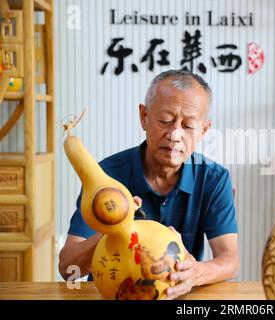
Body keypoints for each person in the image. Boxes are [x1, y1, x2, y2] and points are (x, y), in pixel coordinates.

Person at [59, 70, 239, 299]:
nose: (175, 135)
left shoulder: (214, 179)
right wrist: (111, 230)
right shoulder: (106, 176)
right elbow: (68, 269)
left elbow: (230, 261)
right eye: (165, 120)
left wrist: (197, 273)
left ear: (204, 130)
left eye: (189, 126)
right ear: (144, 116)